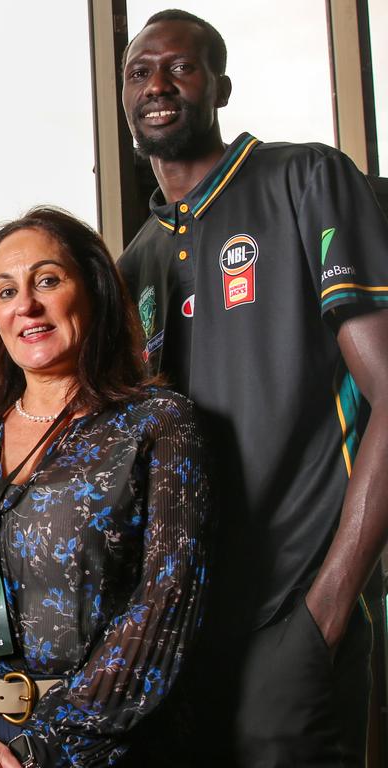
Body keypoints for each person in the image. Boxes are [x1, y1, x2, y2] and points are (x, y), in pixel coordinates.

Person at [118, 9, 388, 766]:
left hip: (292, 611)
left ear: (221, 86)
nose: (158, 84)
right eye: (140, 71)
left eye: (182, 66)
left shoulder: (305, 178)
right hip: (181, 631)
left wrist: (328, 608)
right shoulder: (134, 261)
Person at [0, 206, 210, 767]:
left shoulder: (157, 424)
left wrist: (40, 750)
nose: (26, 305)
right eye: (5, 290)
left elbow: (168, 597)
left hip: (97, 750)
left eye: (47, 280)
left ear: (91, 289)